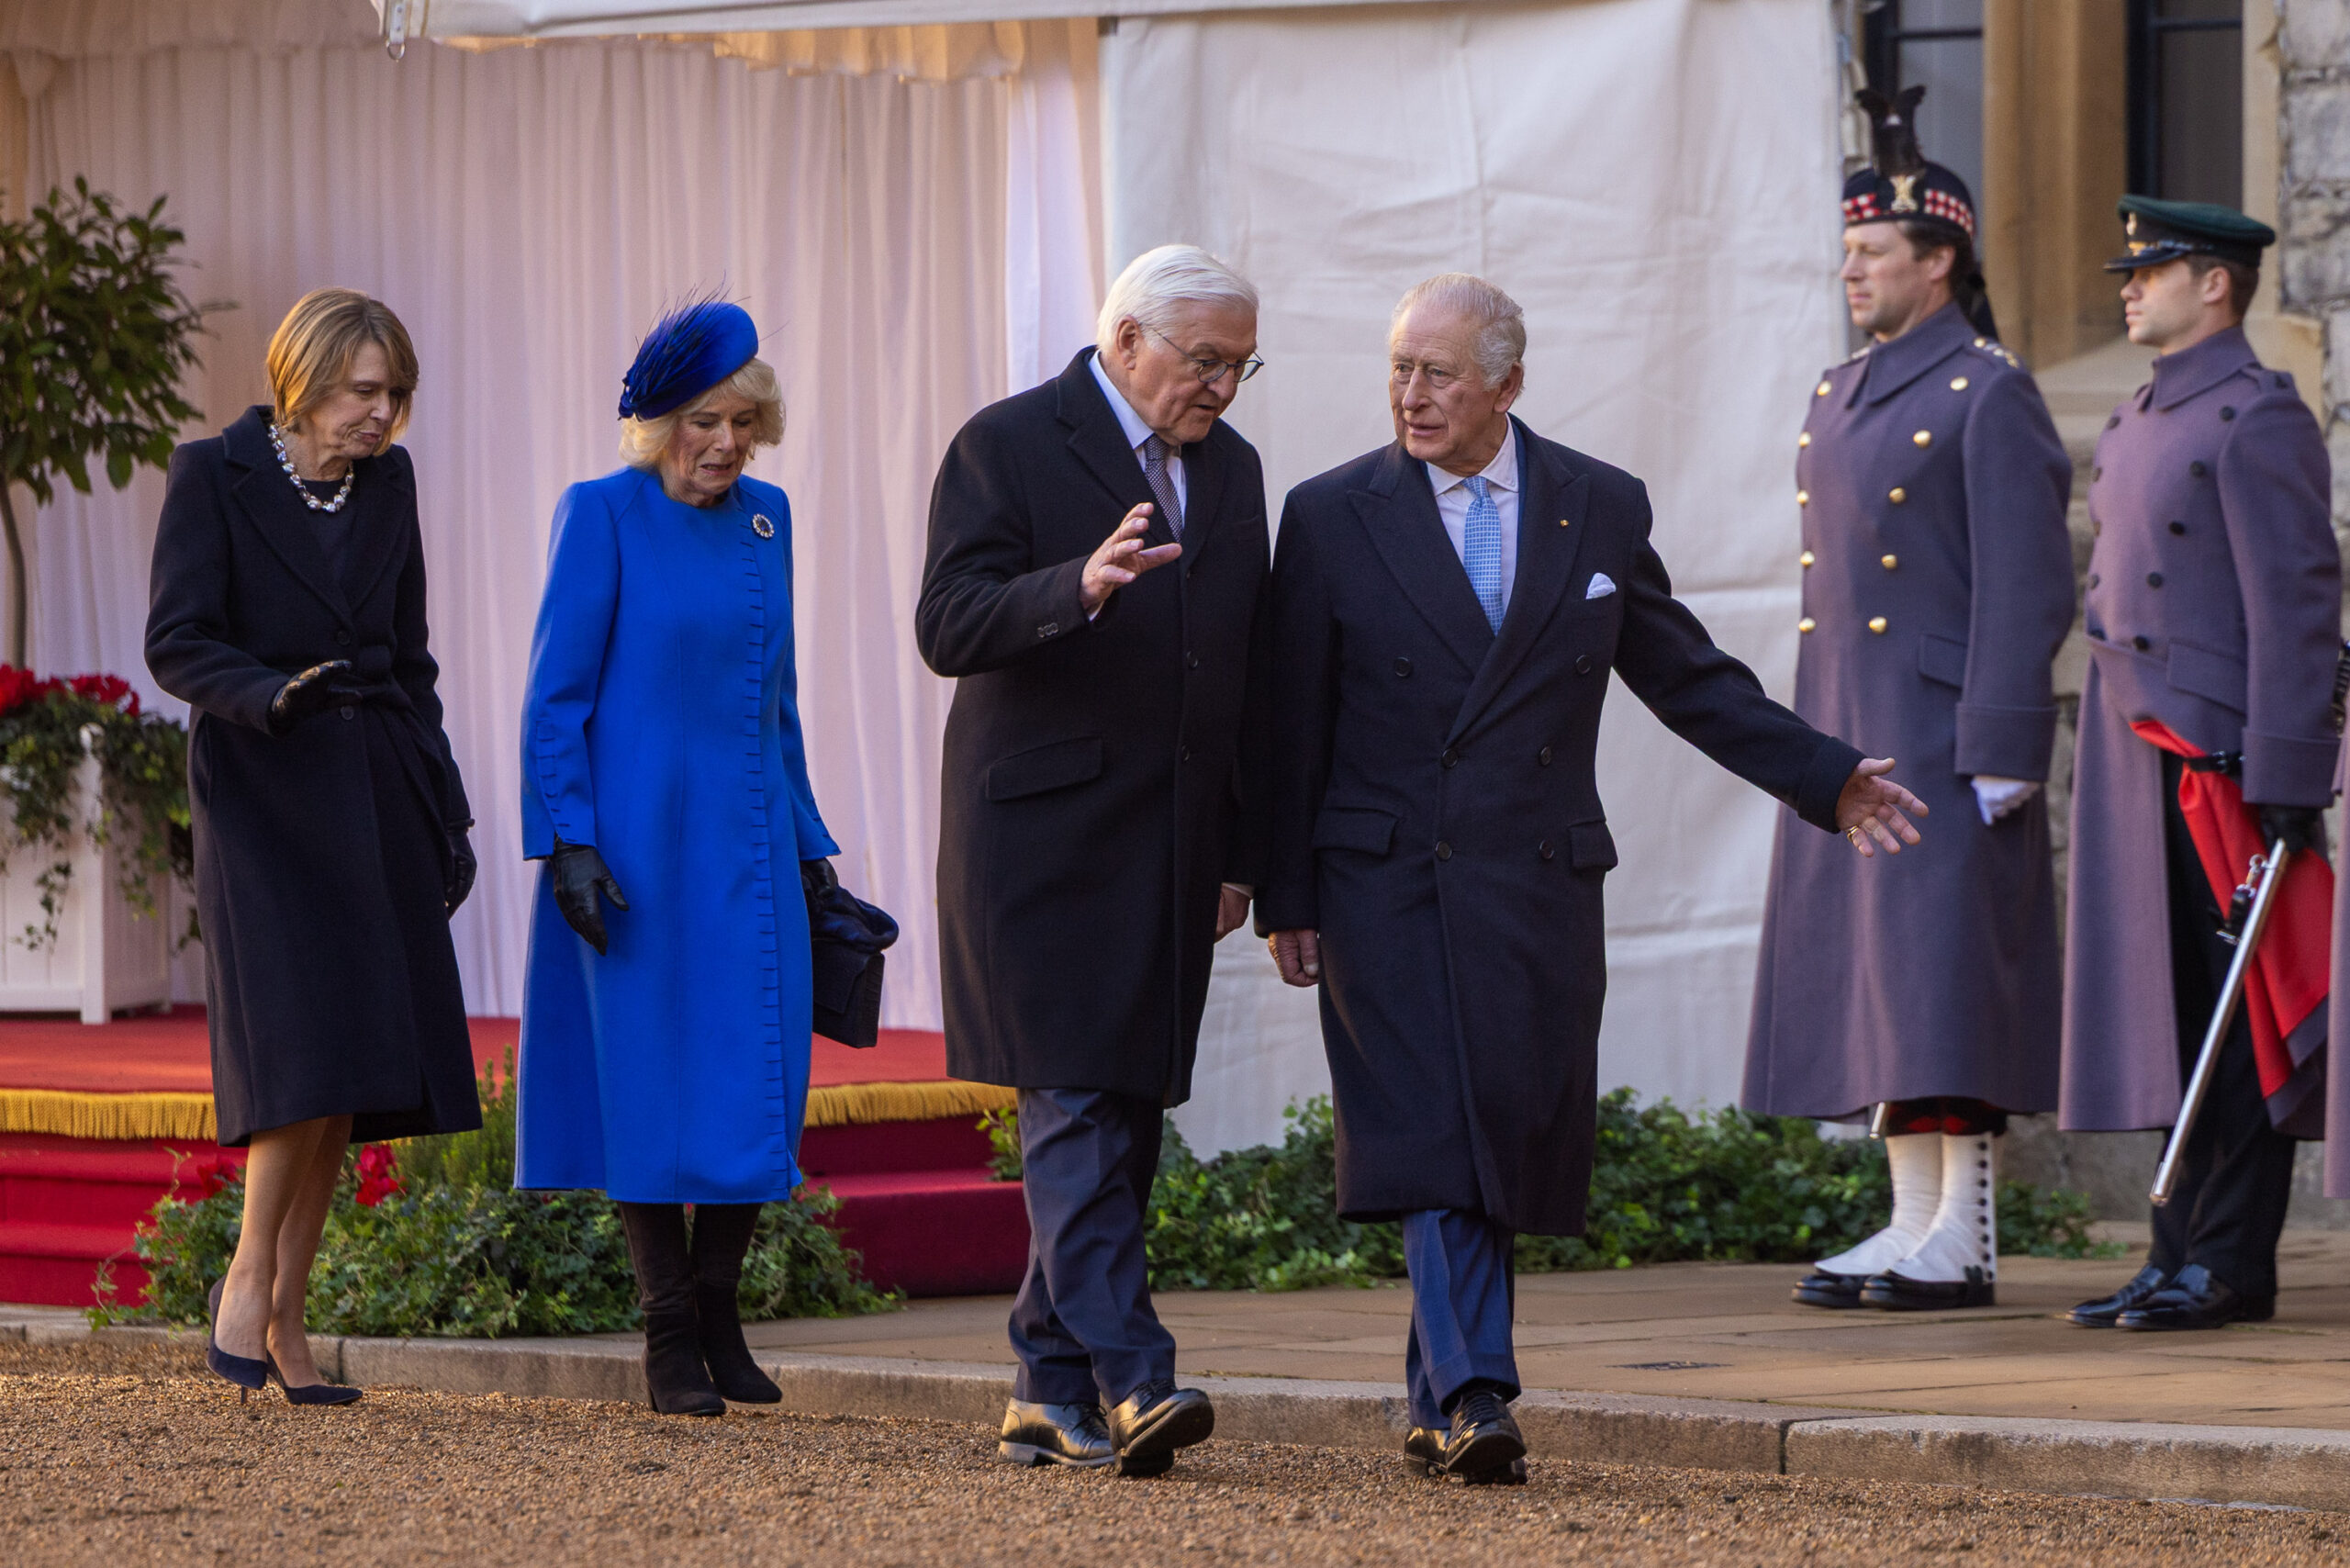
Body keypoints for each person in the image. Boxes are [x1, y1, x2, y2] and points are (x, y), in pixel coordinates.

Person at [1259, 274, 1928, 1484]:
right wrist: (1283, 892)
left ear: (1507, 383)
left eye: (1440, 373)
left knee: (1500, 1125)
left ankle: (1432, 1391)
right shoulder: (1328, 512)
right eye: (1400, 368)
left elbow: (1684, 673)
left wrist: (1823, 778)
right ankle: (1474, 1392)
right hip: (1385, 877)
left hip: (1534, 875)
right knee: (1434, 1126)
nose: (1411, 395)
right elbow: (1287, 720)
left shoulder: (1596, 506)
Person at [917, 245, 1272, 1476]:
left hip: (1169, 847)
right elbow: (948, 625)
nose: (1223, 386)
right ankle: (1135, 1376)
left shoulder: (1233, 475)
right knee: (1068, 1103)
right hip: (1038, 846)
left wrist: (1239, 851)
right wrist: (1078, 585)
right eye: (1205, 359)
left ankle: (1040, 1383)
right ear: (1128, 341)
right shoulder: (1007, 443)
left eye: (1241, 364)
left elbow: (1239, 672)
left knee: (1120, 1121)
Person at [1747, 88, 2075, 1313]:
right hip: (1851, 726)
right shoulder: (1843, 390)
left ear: (1939, 263)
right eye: (1846, 254)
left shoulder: (1989, 393)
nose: (1852, 272)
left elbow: (2028, 581)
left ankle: (1964, 1236)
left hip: (1941, 735)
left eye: (1873, 253)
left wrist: (2002, 741)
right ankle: (1909, 1221)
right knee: (1875, 976)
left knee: (1939, 977)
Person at [146, 287, 479, 1406]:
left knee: (347, 1072)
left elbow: (414, 657)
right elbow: (177, 642)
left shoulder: (390, 485)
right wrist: (269, 694)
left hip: (378, 786)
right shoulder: (214, 474)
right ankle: (243, 1282)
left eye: (397, 395)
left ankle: (289, 1318)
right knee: (299, 1051)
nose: (381, 415)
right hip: (263, 790)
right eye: (363, 391)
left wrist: (448, 803)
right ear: (303, 379)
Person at [516, 298, 839, 1414]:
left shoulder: (768, 519)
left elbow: (776, 704)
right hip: (636, 852)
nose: (727, 443)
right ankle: (664, 1333)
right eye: (705, 419)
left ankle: (720, 1311)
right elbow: (554, 698)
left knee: (758, 1072)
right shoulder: (599, 515)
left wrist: (810, 845)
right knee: (647, 1076)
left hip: (748, 844)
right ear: (657, 423)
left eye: (744, 422)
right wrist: (566, 842)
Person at [2060, 198, 2338, 1333]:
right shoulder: (2136, 413)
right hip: (2138, 755)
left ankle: (2226, 1261)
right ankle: (2172, 1250)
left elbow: (2300, 601)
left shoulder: (2256, 415)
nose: (2128, 286)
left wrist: (2283, 766)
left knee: (2242, 1016)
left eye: (2151, 268)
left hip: (2221, 754)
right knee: (2176, 1010)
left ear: (2213, 283)